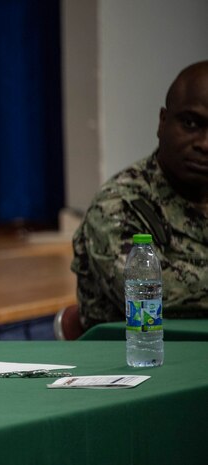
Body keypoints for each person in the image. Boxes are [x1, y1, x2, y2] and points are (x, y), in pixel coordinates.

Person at [72, 60, 208, 332]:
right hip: (131, 357)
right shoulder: (119, 203)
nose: (204, 144)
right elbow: (154, 295)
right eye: (191, 123)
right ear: (162, 122)